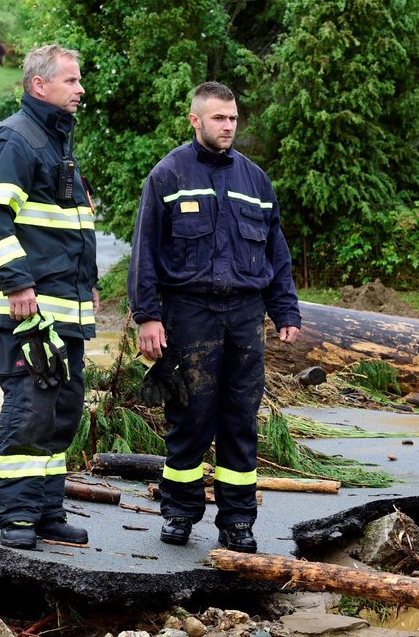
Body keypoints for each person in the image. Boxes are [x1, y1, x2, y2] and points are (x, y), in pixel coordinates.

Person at [128, 81, 301, 554]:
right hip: (190, 314)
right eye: (219, 118)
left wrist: (284, 309)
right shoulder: (168, 175)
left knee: (240, 422)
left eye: (233, 118)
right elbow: (144, 251)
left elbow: (276, 252)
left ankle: (238, 522)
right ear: (195, 120)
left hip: (245, 317)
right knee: (189, 417)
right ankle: (180, 513)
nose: (228, 126)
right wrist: (147, 317)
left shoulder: (256, 181)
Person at [0, 44, 98, 550]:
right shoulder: (15, 140)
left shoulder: (54, 142)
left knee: (61, 412)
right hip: (28, 312)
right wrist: (18, 283)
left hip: (63, 312)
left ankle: (46, 512)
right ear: (38, 85)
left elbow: (66, 231)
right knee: (29, 411)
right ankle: (17, 518)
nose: (81, 89)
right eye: (71, 80)